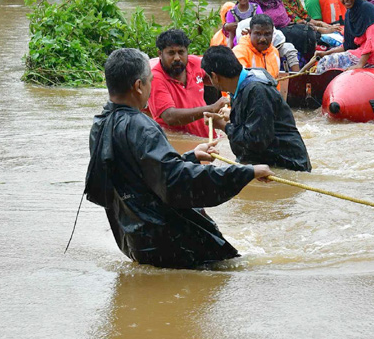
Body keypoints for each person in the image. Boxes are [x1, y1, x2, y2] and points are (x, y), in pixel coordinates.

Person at [84, 48, 273, 269]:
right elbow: (176, 181)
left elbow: (140, 176)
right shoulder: (142, 127)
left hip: (134, 239)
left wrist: (191, 156)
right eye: (150, 81)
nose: (151, 86)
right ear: (138, 86)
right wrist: (247, 172)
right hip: (170, 241)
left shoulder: (99, 124)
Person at [202, 45, 311, 172]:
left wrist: (224, 126)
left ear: (215, 76)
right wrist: (232, 115)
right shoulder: (243, 83)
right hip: (271, 164)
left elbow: (256, 141)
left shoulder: (257, 90)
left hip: (288, 166)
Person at [148, 29, 228, 137]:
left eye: (181, 52)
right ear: (160, 54)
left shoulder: (195, 63)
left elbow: (219, 79)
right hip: (177, 145)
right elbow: (169, 117)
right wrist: (211, 108)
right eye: (171, 53)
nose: (177, 58)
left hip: (206, 139)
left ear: (187, 52)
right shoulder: (155, 78)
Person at [254, 0, 318, 65]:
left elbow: (287, 20)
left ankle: (307, 68)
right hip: (265, 37)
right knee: (302, 38)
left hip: (283, 32)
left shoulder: (277, 1)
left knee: (309, 32)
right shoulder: (251, 5)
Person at [233, 14, 283, 79]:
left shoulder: (274, 52)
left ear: (272, 34)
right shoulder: (239, 52)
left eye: (267, 34)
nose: (263, 39)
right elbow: (241, 82)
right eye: (258, 34)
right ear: (250, 33)